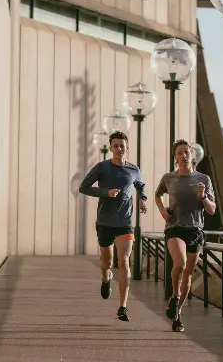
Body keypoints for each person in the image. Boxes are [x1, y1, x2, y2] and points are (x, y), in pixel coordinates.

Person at [78, 131, 148, 322]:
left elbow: (140, 185)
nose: (119, 148)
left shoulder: (134, 169)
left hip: (125, 223)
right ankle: (105, 278)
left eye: (122, 145)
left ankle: (123, 307)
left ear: (127, 147)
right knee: (107, 262)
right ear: (111, 148)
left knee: (124, 261)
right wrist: (105, 192)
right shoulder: (102, 167)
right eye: (115, 145)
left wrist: (142, 199)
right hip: (105, 222)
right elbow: (83, 187)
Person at [155, 139, 216, 332]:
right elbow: (157, 195)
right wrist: (163, 212)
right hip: (174, 227)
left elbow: (212, 210)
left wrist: (204, 196)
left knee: (187, 275)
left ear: (192, 155)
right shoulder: (169, 178)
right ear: (175, 157)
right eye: (179, 153)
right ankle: (174, 295)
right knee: (179, 264)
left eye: (186, 152)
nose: (183, 155)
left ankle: (178, 313)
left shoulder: (203, 179)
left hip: (195, 230)